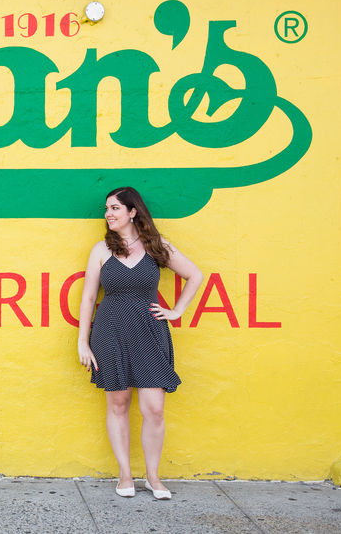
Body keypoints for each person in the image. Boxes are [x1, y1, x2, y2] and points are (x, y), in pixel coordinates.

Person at [77, 186, 203, 500]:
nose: (108, 214)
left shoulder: (157, 246)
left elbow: (195, 275)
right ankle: (124, 475)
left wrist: (176, 311)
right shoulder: (101, 250)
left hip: (149, 333)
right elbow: (89, 297)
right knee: (118, 404)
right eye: (107, 209)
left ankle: (153, 477)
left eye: (115, 208)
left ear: (133, 211)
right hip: (111, 332)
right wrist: (83, 341)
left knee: (154, 409)